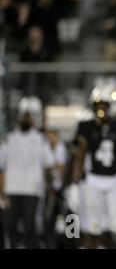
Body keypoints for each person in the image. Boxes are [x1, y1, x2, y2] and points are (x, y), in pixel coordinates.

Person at [70, 85, 116, 248]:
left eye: (104, 105)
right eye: (97, 105)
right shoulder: (86, 126)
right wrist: (74, 183)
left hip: (115, 180)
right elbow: (80, 156)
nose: (100, 109)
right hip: (94, 179)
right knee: (93, 226)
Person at [0, 96, 54, 248]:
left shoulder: (41, 141)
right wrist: (2, 191)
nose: (26, 119)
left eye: (29, 116)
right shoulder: (9, 139)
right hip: (12, 190)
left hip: (32, 190)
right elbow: (1, 167)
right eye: (24, 115)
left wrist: (49, 187)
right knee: (10, 225)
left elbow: (48, 166)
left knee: (31, 227)